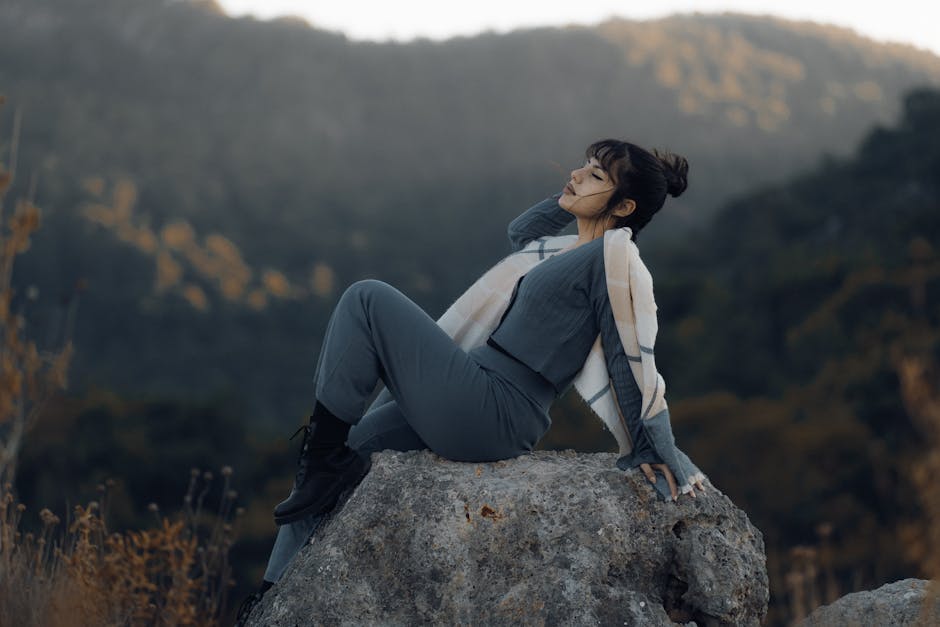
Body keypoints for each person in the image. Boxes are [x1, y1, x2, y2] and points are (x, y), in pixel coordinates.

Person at [235, 138, 707, 624]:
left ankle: (321, 455)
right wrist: (576, 197)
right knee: (338, 464)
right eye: (583, 167)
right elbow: (521, 229)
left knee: (366, 299)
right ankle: (269, 598)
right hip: (478, 383)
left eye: (596, 176)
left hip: (497, 405)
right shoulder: (567, 249)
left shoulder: (614, 260)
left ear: (624, 205)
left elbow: (631, 356)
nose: (577, 174)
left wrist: (653, 446)